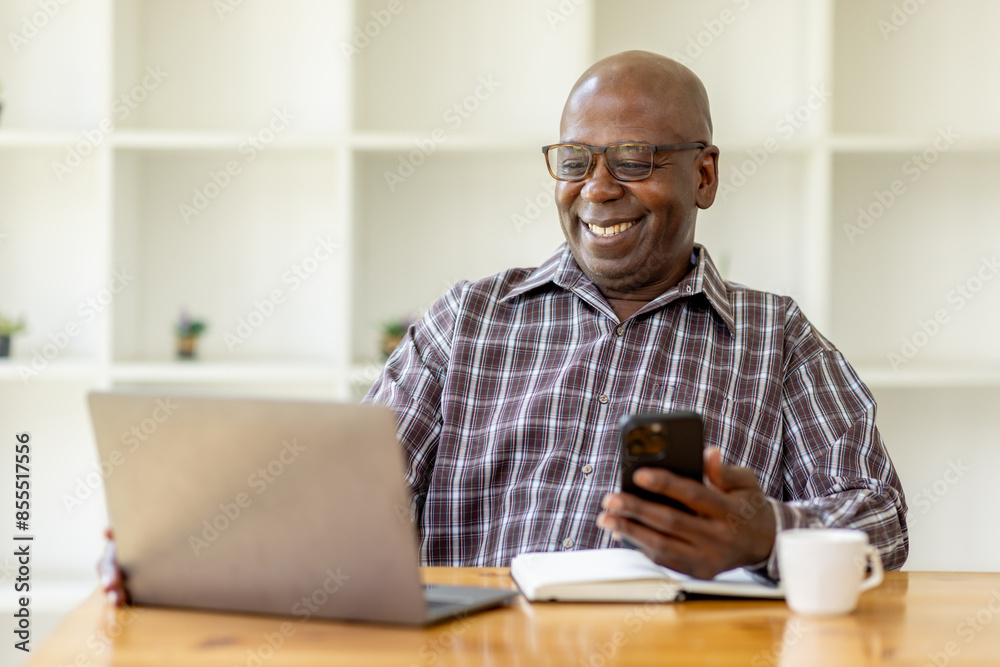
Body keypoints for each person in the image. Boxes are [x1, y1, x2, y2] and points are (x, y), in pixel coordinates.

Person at [101, 51, 906, 602]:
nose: (597, 189)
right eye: (575, 161)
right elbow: (341, 503)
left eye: (633, 159)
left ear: (704, 173)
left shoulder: (779, 340)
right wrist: (177, 551)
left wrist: (764, 533)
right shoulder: (469, 321)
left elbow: (883, 520)